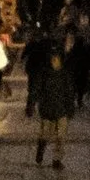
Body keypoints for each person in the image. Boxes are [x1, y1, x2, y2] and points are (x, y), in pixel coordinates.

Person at [33, 42, 76, 172]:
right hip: (47, 109)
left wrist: (70, 108)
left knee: (60, 137)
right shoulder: (44, 73)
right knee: (45, 134)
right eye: (53, 58)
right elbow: (36, 89)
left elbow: (69, 92)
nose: (55, 61)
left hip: (62, 109)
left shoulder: (65, 74)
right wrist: (32, 102)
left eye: (57, 58)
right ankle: (41, 147)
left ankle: (57, 159)